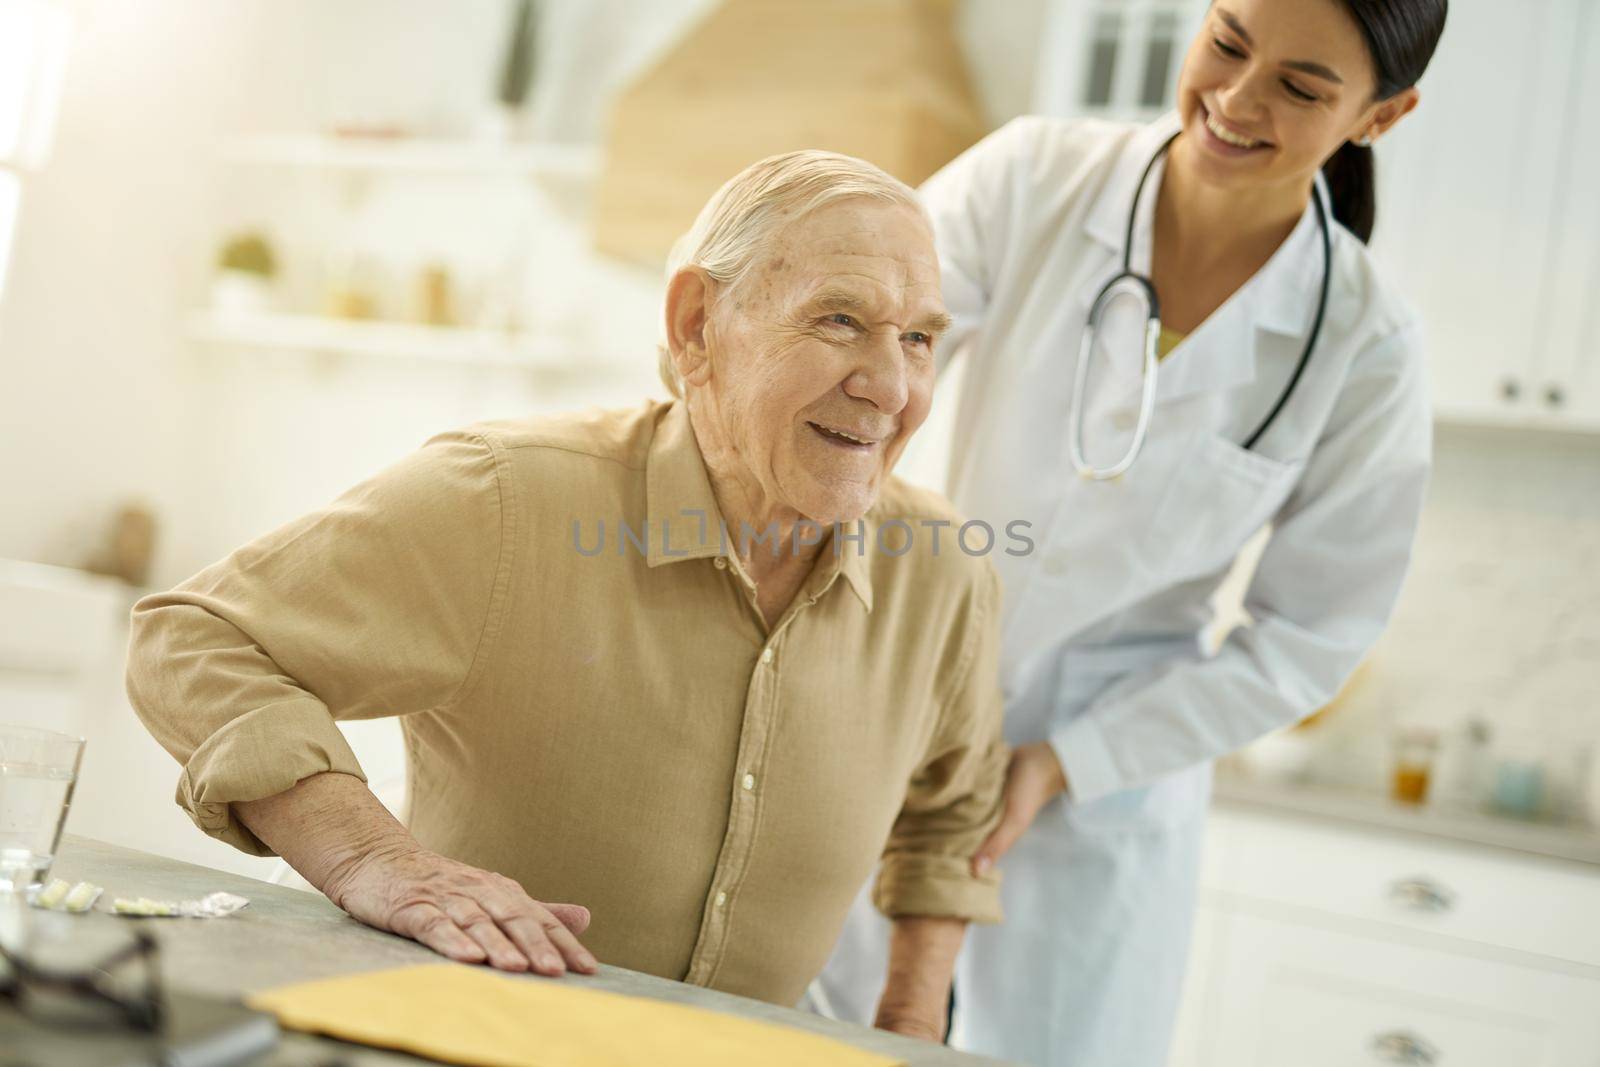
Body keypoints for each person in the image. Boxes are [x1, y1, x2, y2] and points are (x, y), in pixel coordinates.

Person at [126, 149, 1007, 1039]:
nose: (891, 387)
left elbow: (951, 819)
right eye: (840, 319)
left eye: (919, 338)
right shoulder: (507, 499)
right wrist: (370, 857)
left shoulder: (944, 574)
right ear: (698, 324)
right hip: (454, 1041)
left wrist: (909, 1024)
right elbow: (192, 643)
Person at [811, 0, 1448, 1062]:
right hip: (889, 704)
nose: (1234, 102)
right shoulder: (1029, 177)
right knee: (815, 1032)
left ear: (1381, 117)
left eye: (1299, 87)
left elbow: (1313, 633)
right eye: (1228, 43)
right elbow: (870, 357)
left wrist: (1064, 760)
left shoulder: (1365, 342)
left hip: (1105, 770)